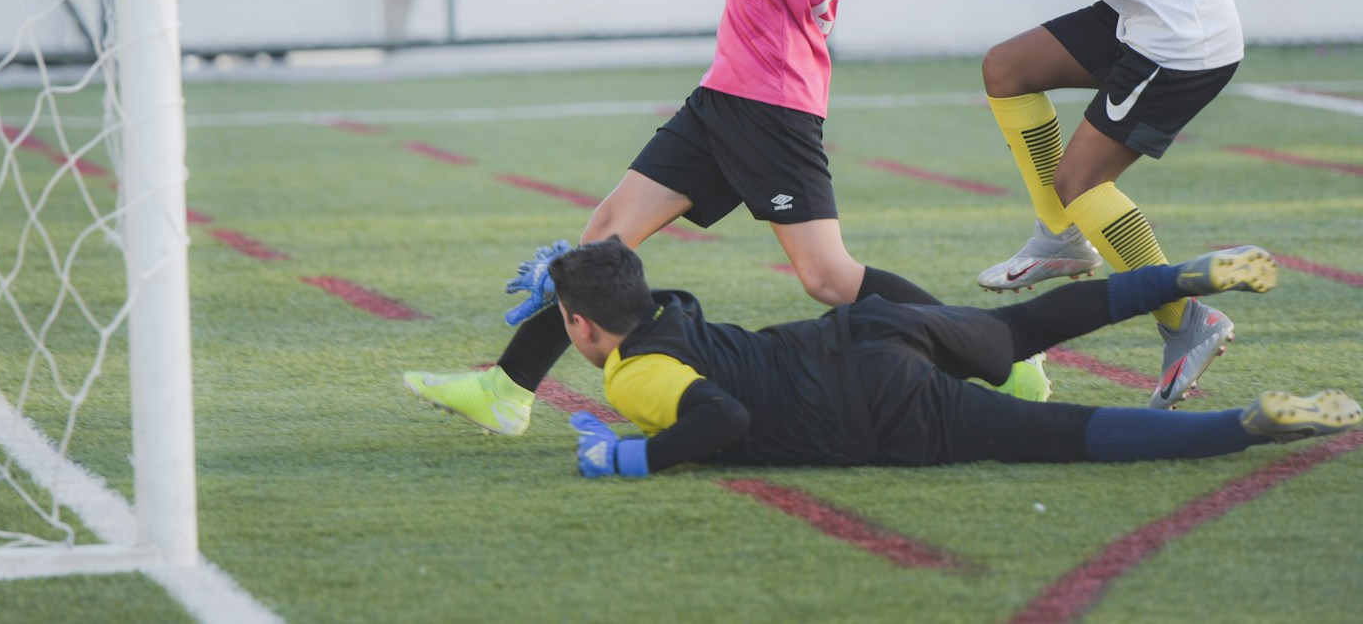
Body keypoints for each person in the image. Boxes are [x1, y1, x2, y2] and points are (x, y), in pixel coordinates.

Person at [404, 0, 1044, 436]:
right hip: (727, 99)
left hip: (769, 108)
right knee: (606, 235)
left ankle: (1000, 356)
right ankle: (508, 389)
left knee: (830, 279)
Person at [801, 0, 1245, 410]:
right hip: (1138, 16)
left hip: (1184, 39)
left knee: (1081, 181)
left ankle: (1186, 320)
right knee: (1006, 68)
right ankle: (1060, 237)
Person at [544, 238, 1358, 477]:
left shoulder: (635, 373)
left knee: (1060, 434)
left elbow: (722, 416)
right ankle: (1177, 278)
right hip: (870, 328)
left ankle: (1247, 426)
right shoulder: (669, 307)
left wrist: (631, 457)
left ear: (584, 330)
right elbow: (637, 294)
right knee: (1025, 328)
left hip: (870, 402)